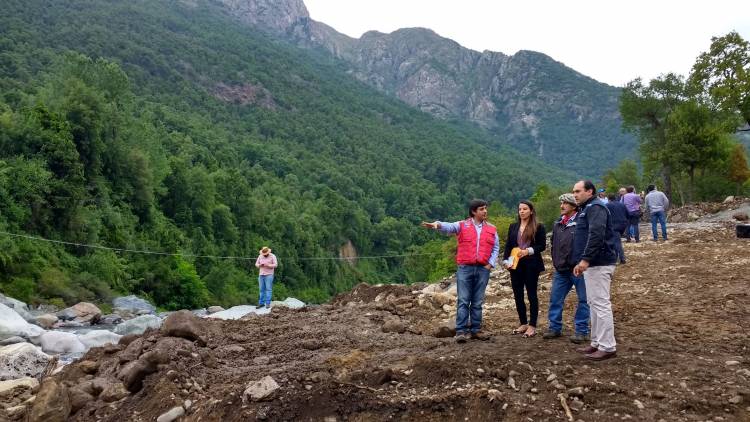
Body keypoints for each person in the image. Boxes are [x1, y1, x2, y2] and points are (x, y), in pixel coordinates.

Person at [422, 199, 500, 343]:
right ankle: (461, 331)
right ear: (473, 212)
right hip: (465, 268)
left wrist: (490, 264)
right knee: (463, 300)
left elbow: (496, 247)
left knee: (477, 301)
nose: (485, 211)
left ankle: (476, 330)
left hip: (483, 269)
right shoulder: (462, 225)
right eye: (482, 209)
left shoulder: (492, 229)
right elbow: (449, 227)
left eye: (485, 208)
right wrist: (437, 225)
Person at [572, 180, 619, 361]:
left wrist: (585, 259)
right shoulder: (587, 208)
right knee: (593, 303)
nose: (575, 194)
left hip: (599, 263)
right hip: (593, 264)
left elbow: (596, 234)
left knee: (600, 303)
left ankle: (608, 346)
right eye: (573, 192)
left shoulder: (596, 208)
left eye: (578, 191)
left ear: (589, 191)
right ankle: (596, 343)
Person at [543, 193, 590, 343]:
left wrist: (582, 261)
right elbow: (554, 244)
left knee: (583, 300)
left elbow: (587, 243)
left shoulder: (582, 222)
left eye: (565, 203)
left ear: (574, 206)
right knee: (555, 299)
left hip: (578, 269)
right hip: (561, 269)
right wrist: (556, 261)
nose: (562, 206)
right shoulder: (558, 223)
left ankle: (582, 331)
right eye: (561, 203)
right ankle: (554, 328)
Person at [503, 200, 546, 338]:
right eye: (520, 209)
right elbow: (509, 246)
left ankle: (532, 325)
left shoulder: (538, 227)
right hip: (515, 265)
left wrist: (528, 251)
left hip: (532, 265)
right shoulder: (513, 226)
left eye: (525, 209)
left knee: (531, 294)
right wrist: (506, 261)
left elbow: (542, 245)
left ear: (531, 211)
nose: (521, 211)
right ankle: (523, 323)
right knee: (517, 294)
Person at [605, 194, 628, 264]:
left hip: (614, 225)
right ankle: (617, 256)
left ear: (609, 199)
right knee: (616, 240)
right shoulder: (622, 204)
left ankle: (621, 258)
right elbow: (627, 214)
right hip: (623, 225)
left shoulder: (607, 205)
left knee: (617, 242)